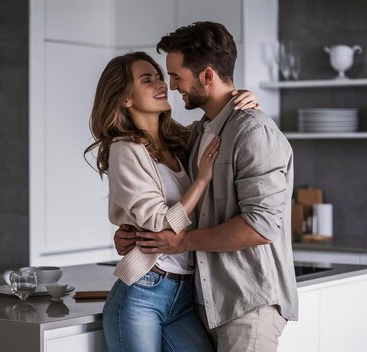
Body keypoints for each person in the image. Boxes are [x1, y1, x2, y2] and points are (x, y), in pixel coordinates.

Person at [114, 22, 298, 352]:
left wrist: (181, 241)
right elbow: (162, 194)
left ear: (207, 76)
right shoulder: (199, 134)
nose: (170, 86)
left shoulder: (254, 132)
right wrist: (130, 230)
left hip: (248, 303)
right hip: (208, 302)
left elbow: (261, 226)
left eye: (175, 76)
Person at [85, 51, 258, 351]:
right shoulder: (124, 149)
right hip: (143, 292)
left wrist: (242, 99)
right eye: (146, 79)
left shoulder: (179, 140)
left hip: (183, 293)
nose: (161, 84)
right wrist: (201, 180)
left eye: (160, 77)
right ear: (125, 98)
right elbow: (157, 224)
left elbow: (219, 121)